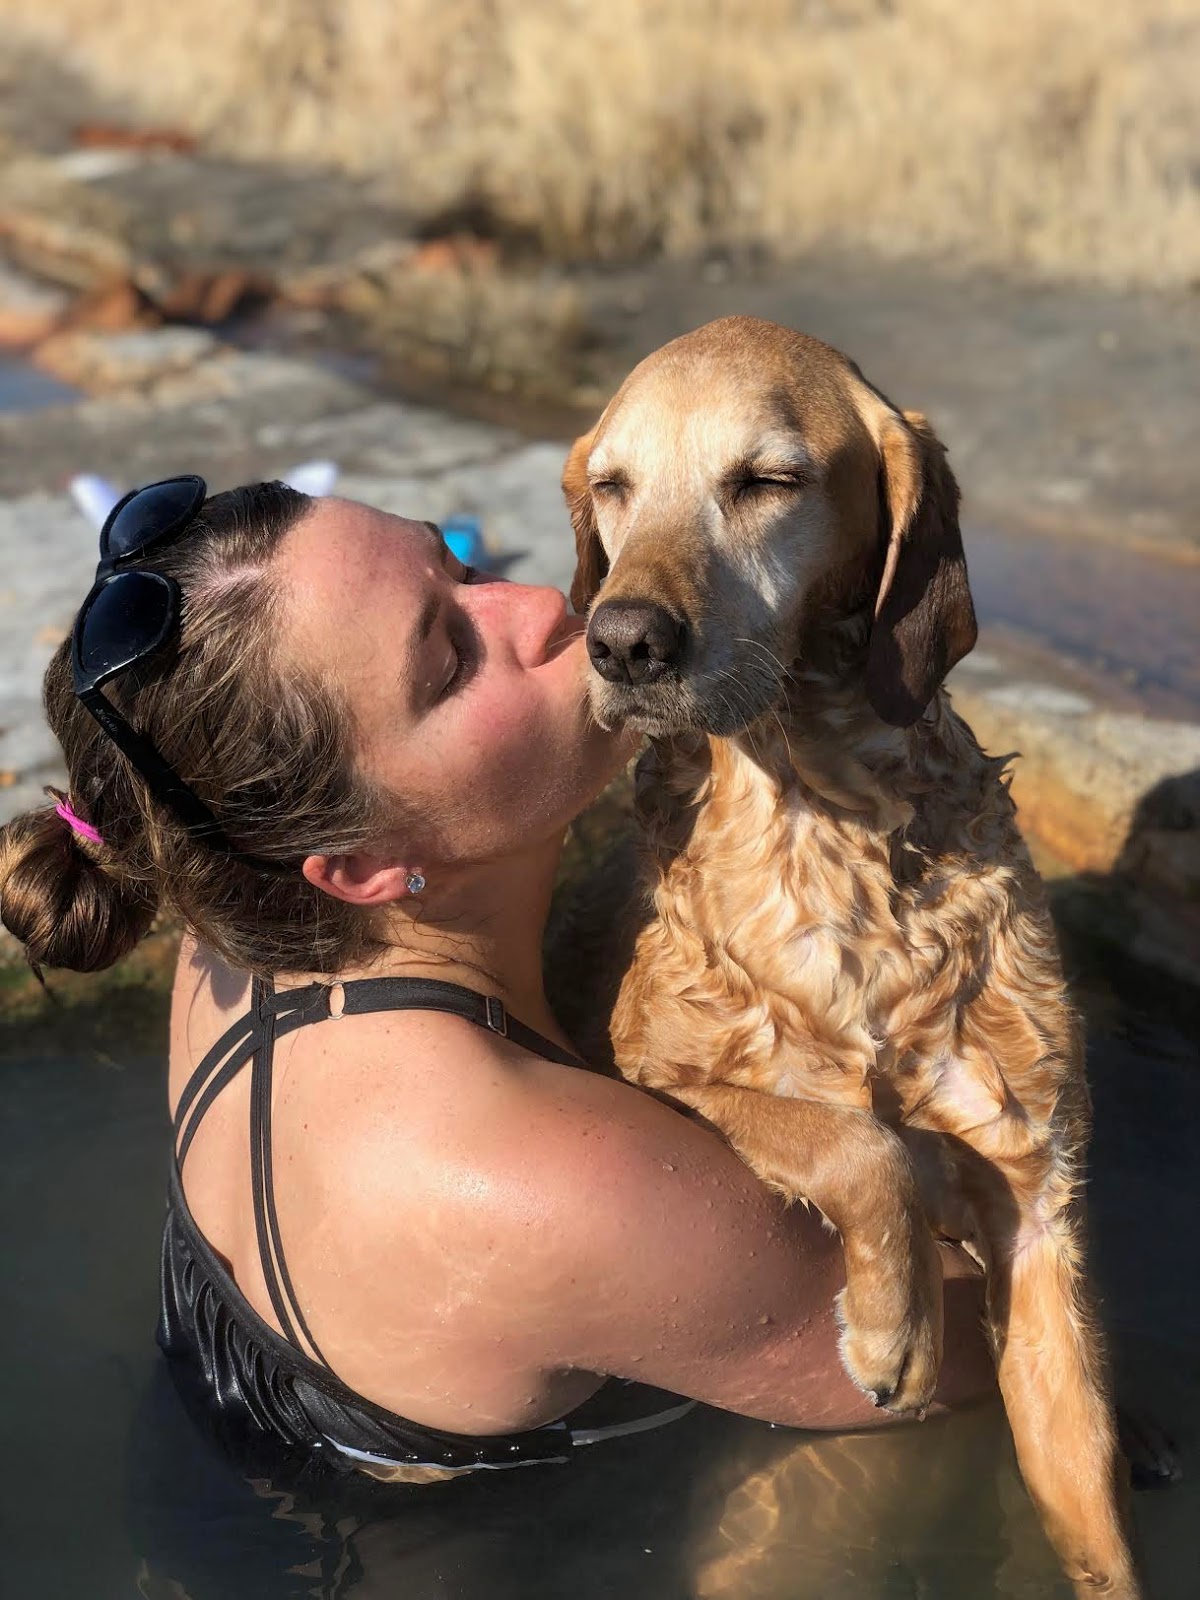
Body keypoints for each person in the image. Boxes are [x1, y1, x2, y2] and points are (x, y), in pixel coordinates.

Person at [0, 477, 993, 1483]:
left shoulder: (240, 892)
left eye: (459, 566)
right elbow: (955, 1360)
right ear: (359, 868)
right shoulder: (539, 1180)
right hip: (401, 1553)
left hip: (205, 1416)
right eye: (450, 662)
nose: (542, 606)